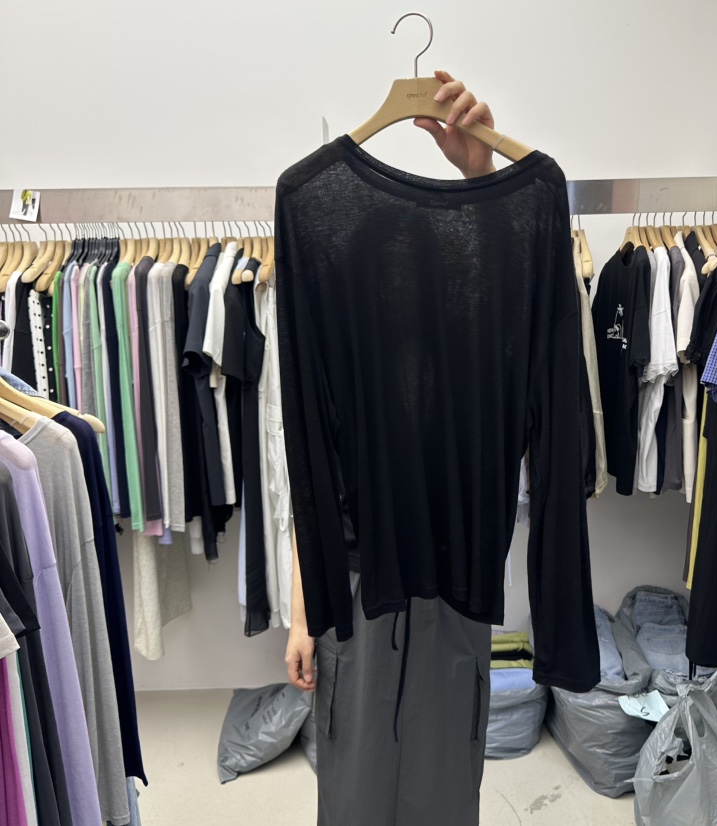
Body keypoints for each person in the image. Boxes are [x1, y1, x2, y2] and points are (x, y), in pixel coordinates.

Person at [285, 71, 500, 826]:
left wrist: (481, 174)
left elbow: (518, 286)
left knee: (445, 793)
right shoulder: (342, 365)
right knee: (355, 791)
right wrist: (301, 616)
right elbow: (311, 485)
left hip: (454, 593)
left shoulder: (474, 360)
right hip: (353, 597)